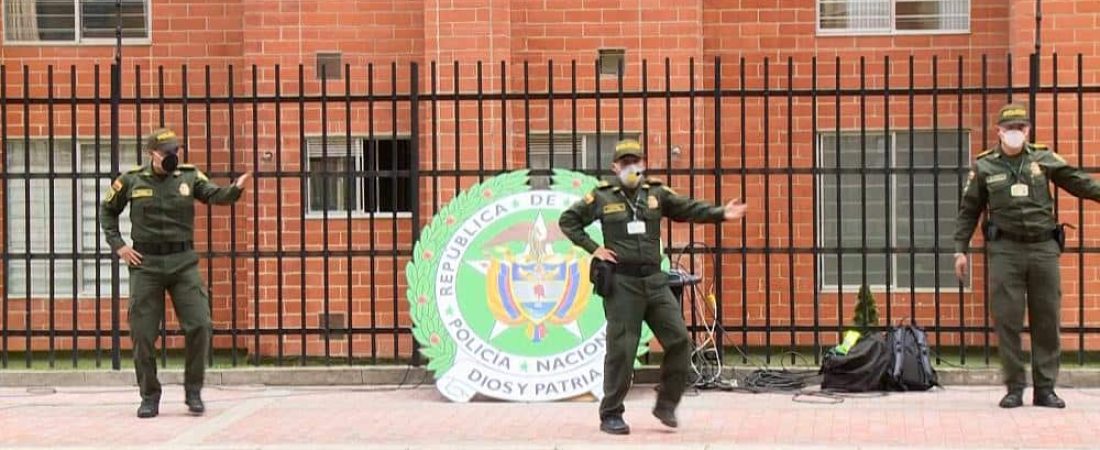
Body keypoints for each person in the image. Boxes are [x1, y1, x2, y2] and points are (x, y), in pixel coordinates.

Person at [558, 138, 747, 434]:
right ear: (614, 167)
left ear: (643, 164)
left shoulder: (657, 193)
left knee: (680, 340)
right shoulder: (602, 197)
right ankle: (611, 413)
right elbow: (568, 221)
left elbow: (688, 208)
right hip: (623, 284)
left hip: (655, 281)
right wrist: (594, 248)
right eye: (625, 162)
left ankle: (666, 404)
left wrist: (721, 213)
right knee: (622, 349)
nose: (631, 167)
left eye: (636, 161)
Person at [954, 103, 1100, 409]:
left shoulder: (1043, 159)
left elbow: (1078, 181)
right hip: (1005, 249)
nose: (1015, 134)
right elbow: (969, 211)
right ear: (999, 132)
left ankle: (1045, 388)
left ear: (1028, 131)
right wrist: (960, 250)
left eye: (1020, 128)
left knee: (1046, 316)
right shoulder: (985, 166)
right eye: (1009, 129)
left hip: (1043, 247)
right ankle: (1014, 387)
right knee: (1007, 318)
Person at [100, 127, 251, 418]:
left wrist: (235, 189)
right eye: (166, 152)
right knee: (143, 333)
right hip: (146, 264)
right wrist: (119, 246)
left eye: (175, 151)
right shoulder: (130, 180)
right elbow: (107, 211)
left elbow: (214, 195)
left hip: (183, 262)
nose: (172, 156)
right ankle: (149, 395)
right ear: (151, 154)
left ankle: (193, 391)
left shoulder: (189, 176)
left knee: (200, 324)